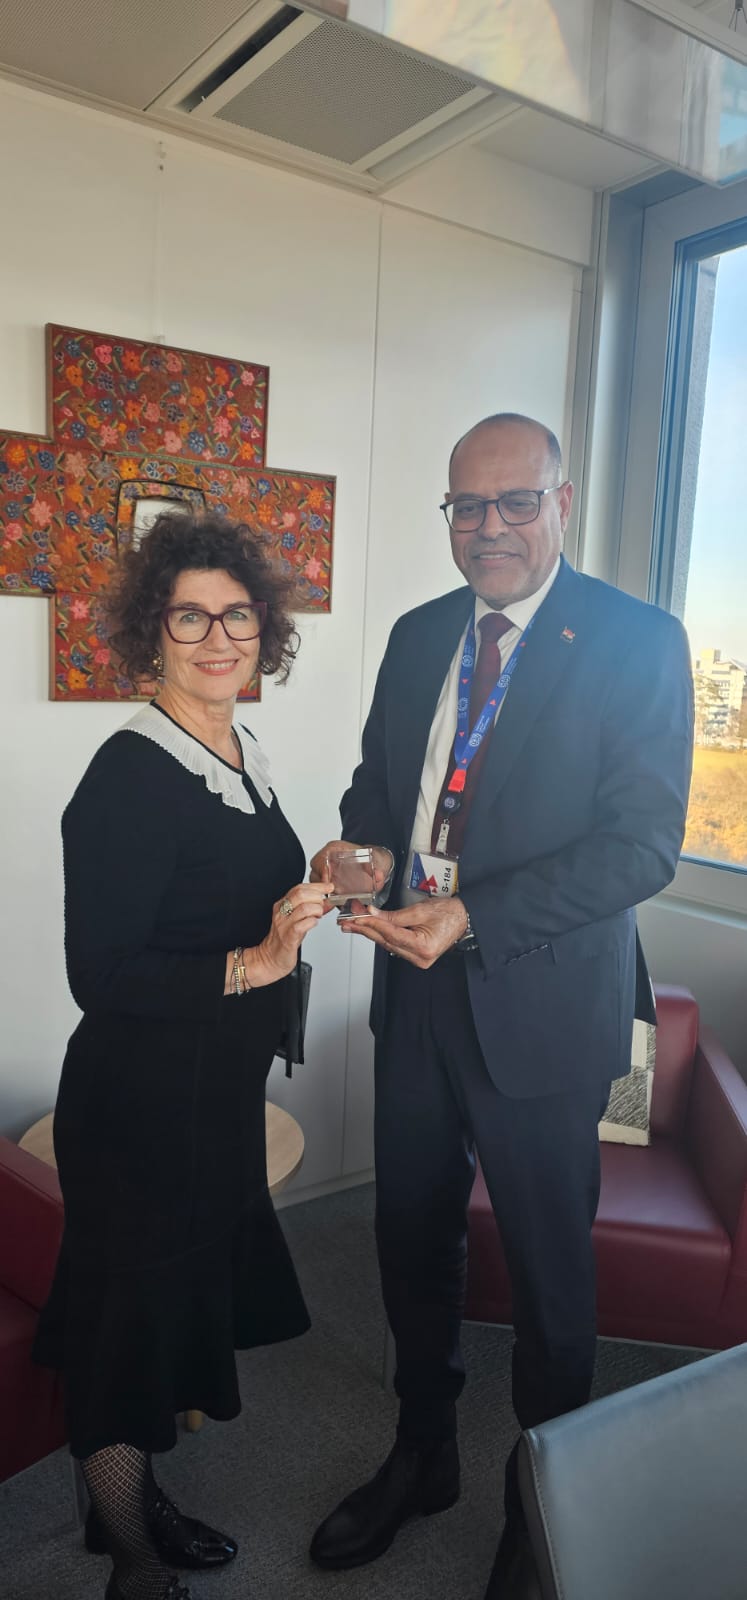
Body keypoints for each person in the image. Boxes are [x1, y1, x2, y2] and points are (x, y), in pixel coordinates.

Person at [309, 414, 693, 1597]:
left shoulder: (636, 640)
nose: (488, 529)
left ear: (561, 503)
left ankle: (545, 1508)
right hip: (417, 994)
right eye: (466, 506)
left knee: (547, 1271)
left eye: (515, 502)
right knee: (410, 1237)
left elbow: (642, 844)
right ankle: (423, 1451)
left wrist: (472, 913)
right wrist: (366, 854)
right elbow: (382, 787)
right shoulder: (421, 633)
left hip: (542, 1007)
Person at [34, 512, 331, 1600]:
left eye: (236, 616)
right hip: (140, 1110)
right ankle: (131, 1560)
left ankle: (129, 1500)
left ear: (265, 630)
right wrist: (258, 961)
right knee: (125, 1345)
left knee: (158, 1328)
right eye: (189, 617)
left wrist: (316, 876)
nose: (218, 638)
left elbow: (223, 889)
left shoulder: (235, 753)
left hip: (211, 1102)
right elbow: (102, 975)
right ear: (150, 633)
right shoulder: (129, 774)